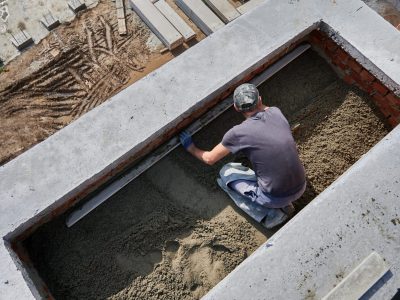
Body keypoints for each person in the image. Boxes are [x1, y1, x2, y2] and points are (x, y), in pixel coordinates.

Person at [179, 83, 306, 228]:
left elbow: (209, 158)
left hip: (275, 197)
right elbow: (265, 109)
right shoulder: (276, 112)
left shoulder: (238, 133)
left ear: (236, 107)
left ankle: (272, 216)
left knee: (226, 172)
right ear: (260, 99)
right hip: (301, 185)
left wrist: (191, 147)